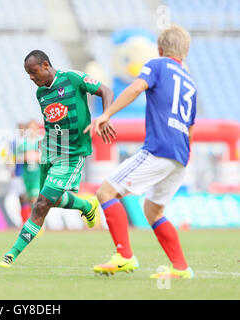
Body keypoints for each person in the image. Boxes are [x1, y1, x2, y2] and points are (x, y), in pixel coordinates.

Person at [90, 25, 196, 279]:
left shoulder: (156, 65)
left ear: (159, 49)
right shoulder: (189, 81)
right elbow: (191, 126)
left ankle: (124, 256)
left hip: (158, 149)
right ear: (185, 53)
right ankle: (181, 268)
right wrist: (183, 156)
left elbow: (136, 87)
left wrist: (106, 114)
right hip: (180, 155)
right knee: (153, 210)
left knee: (106, 192)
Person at [0, 50, 115, 268]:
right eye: (28, 74)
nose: (32, 78)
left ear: (45, 65)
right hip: (49, 151)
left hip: (71, 154)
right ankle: (86, 206)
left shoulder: (73, 78)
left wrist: (105, 116)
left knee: (41, 204)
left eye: (33, 72)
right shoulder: (41, 92)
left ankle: (12, 254)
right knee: (46, 200)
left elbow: (106, 90)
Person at [16, 120, 41, 222]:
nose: (32, 131)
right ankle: (25, 222)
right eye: (30, 129)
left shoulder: (40, 142)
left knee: (35, 199)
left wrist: (37, 157)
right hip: (25, 176)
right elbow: (16, 158)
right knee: (24, 199)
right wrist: (24, 157)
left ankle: (36, 223)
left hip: (37, 175)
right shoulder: (23, 144)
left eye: (34, 128)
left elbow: (46, 157)